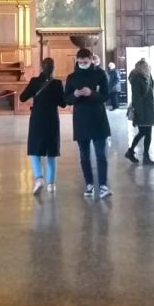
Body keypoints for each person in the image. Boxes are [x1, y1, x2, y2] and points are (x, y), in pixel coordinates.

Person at [64, 48, 112, 199]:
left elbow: (106, 96)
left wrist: (92, 93)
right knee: (84, 156)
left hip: (98, 118)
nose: (83, 64)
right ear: (77, 61)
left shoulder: (100, 74)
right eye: (80, 62)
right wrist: (75, 95)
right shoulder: (71, 77)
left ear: (91, 60)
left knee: (101, 154)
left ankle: (103, 185)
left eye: (86, 62)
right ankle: (89, 184)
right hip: (80, 120)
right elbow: (66, 100)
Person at [19, 58, 66, 194]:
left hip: (37, 119)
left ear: (41, 67)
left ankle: (39, 178)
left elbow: (22, 97)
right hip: (51, 118)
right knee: (51, 151)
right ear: (53, 68)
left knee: (34, 149)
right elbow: (63, 104)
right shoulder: (57, 83)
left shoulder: (34, 81)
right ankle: (50, 184)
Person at [124, 59, 154, 165]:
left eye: (148, 66)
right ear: (140, 68)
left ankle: (142, 155)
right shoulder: (136, 79)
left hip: (149, 109)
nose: (148, 68)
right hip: (142, 110)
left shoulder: (147, 76)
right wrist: (139, 114)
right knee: (144, 132)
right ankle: (134, 152)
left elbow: (150, 89)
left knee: (147, 133)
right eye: (145, 66)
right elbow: (136, 98)